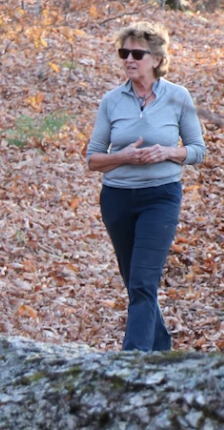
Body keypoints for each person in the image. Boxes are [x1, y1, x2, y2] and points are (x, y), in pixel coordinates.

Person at [85, 21, 206, 351]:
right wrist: (123, 157)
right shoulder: (112, 101)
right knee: (136, 284)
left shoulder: (178, 97)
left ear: (156, 58)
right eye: (124, 53)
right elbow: (93, 159)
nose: (129, 60)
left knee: (142, 281)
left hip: (161, 197)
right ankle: (161, 348)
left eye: (137, 53)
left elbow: (198, 150)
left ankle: (133, 360)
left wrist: (167, 152)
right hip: (117, 199)